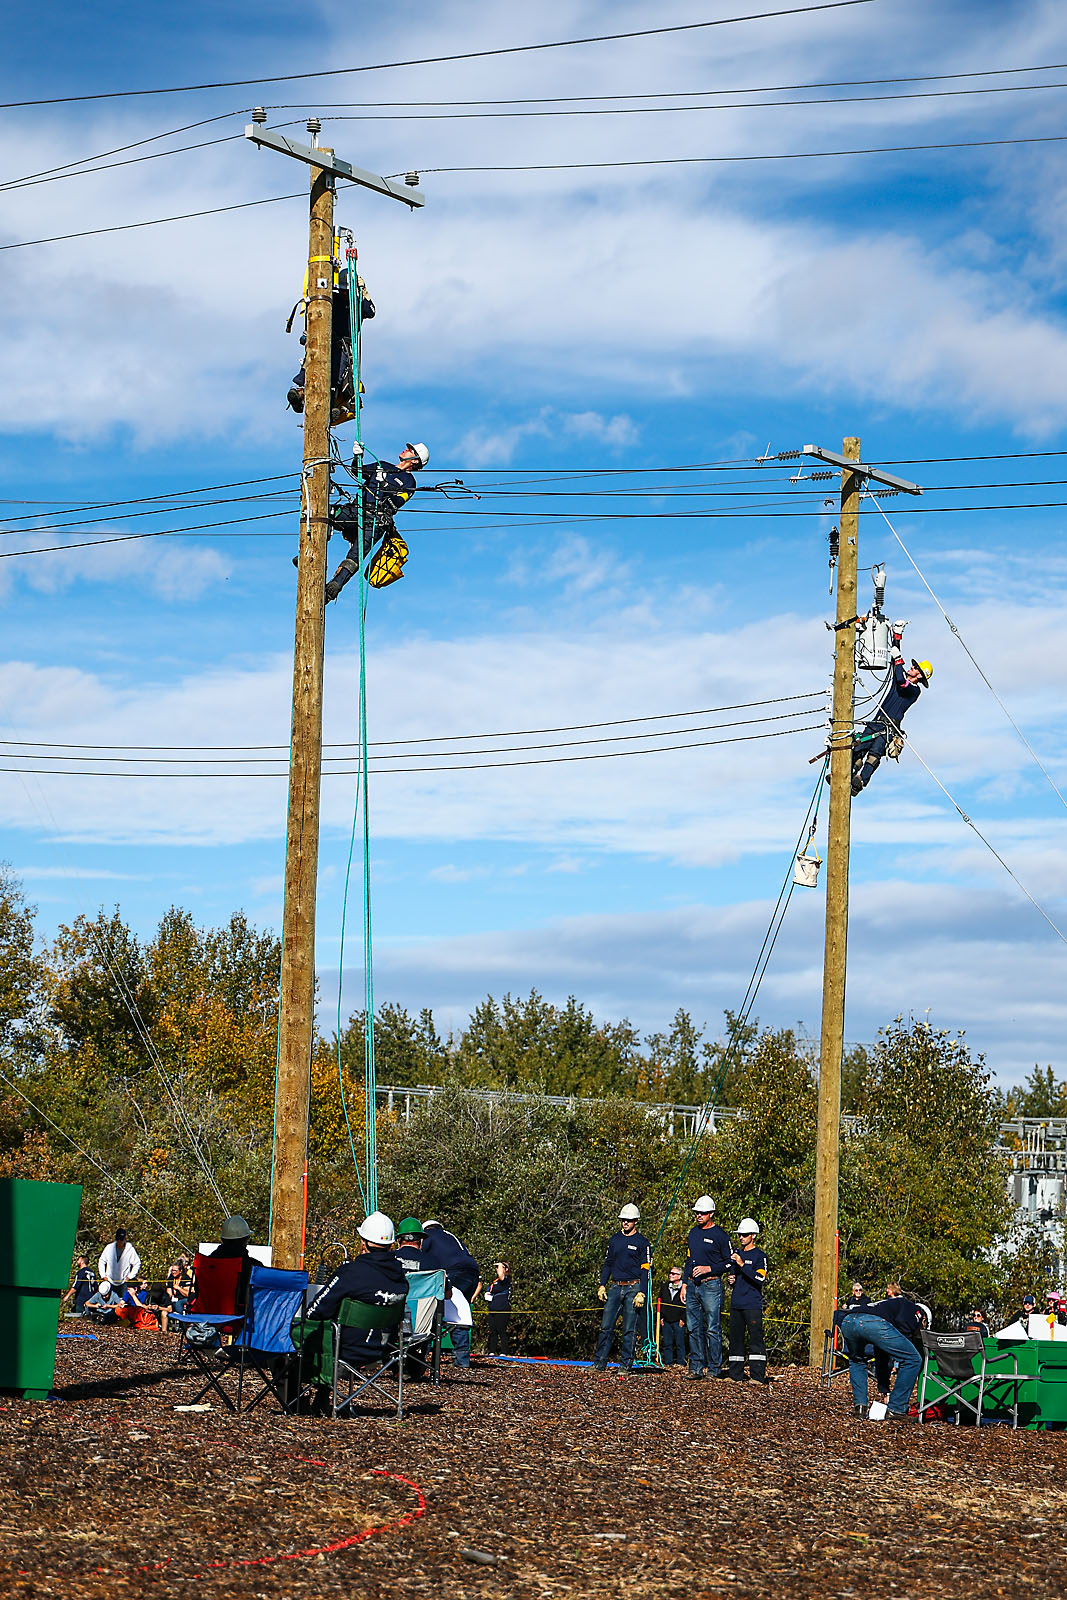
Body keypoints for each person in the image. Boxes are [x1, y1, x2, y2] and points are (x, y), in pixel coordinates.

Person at [302, 1211, 409, 1376]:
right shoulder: (401, 1278)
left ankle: (313, 1398)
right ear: (391, 1244)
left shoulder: (350, 1273)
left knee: (299, 1333)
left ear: (363, 1243)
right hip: (382, 1351)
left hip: (344, 1351)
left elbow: (315, 1311)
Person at [324, 444, 429, 604]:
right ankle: (310, 551)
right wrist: (357, 457)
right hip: (357, 511)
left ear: (415, 460)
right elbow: (357, 472)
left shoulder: (409, 482)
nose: (405, 449)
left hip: (376, 522)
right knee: (325, 513)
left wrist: (381, 485)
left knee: (356, 556)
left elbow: (397, 502)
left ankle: (333, 588)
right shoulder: (382, 465)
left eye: (410, 450)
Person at [286, 266, 376, 422]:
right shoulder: (330, 298)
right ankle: (301, 394)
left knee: (337, 375)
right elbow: (313, 308)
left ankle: (331, 405)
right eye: (342, 290)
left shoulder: (357, 303)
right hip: (324, 339)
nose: (343, 293)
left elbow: (371, 312)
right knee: (311, 364)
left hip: (343, 346)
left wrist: (364, 294)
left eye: (346, 291)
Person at [852, 645, 932, 795]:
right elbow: (897, 660)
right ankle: (845, 775)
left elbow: (901, 679)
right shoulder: (900, 676)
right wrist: (897, 635)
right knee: (858, 749)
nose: (912, 667)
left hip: (888, 727)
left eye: (915, 667)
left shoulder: (914, 690)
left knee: (874, 754)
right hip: (876, 722)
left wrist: (898, 658)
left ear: (920, 675)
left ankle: (860, 781)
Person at [839, 1282, 924, 1420]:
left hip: (848, 1320)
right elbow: (903, 1338)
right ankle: (897, 1408)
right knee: (913, 1359)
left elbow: (882, 1356)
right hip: (872, 1323)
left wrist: (885, 1390)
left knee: (856, 1360)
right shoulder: (917, 1311)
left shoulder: (888, 1305)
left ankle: (860, 1407)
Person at [594, 1203, 651, 1376]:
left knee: (629, 1329)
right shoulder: (615, 1240)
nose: (625, 1223)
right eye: (623, 1220)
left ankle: (625, 1365)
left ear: (635, 1221)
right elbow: (608, 1263)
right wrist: (602, 1284)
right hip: (615, 1287)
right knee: (606, 1326)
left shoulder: (642, 1242)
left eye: (628, 1220)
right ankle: (599, 1363)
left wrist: (642, 1291)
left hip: (633, 1288)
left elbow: (645, 1268)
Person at [682, 1195, 732, 1381]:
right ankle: (695, 1367)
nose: (699, 1216)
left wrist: (709, 1268)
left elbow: (729, 1263)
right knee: (693, 1327)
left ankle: (714, 1369)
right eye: (697, 1213)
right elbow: (688, 1260)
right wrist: (685, 1284)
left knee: (712, 1328)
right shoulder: (693, 1234)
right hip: (693, 1286)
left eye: (702, 1213)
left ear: (711, 1214)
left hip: (711, 1285)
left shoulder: (720, 1236)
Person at [419, 1218, 481, 1370]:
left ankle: (421, 1356)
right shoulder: (451, 1236)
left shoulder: (428, 1235)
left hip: (454, 1272)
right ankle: (462, 1357)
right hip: (472, 1273)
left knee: (433, 1311)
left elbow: (420, 1256)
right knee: (460, 1314)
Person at [727, 1219, 770, 1384]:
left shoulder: (760, 1256)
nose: (741, 1238)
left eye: (745, 1235)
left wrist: (742, 1265)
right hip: (737, 1303)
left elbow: (759, 1278)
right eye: (740, 1235)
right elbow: (733, 1274)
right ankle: (735, 1374)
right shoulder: (737, 1254)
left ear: (753, 1236)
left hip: (752, 1304)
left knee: (755, 1340)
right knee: (736, 1339)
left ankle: (757, 1376)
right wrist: (732, 1279)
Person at [211, 1215, 255, 1313]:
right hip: (238, 1315)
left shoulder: (208, 1264)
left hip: (208, 1314)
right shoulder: (251, 1266)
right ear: (245, 1240)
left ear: (223, 1239)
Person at [658, 1266, 687, 1368]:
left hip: (678, 1321)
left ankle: (681, 1363)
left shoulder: (685, 1288)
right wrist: (661, 1317)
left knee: (680, 1343)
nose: (670, 1275)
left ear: (679, 1276)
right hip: (666, 1320)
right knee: (667, 1343)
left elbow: (687, 1305)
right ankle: (668, 1363)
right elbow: (660, 1303)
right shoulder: (665, 1287)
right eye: (670, 1273)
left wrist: (683, 1319)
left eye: (673, 1273)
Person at [484, 1262, 512, 1355]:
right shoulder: (495, 1281)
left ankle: (504, 1351)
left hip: (502, 1308)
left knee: (501, 1330)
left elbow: (501, 1275)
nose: (497, 1269)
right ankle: (492, 1351)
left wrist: (501, 1264)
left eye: (499, 1267)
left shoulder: (507, 1280)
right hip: (493, 1308)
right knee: (493, 1330)